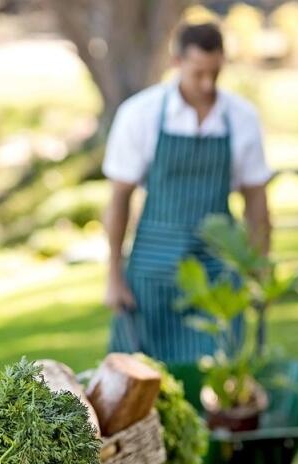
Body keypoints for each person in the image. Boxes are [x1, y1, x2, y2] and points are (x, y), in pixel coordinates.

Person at [103, 22, 272, 365]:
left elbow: (256, 200)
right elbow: (119, 198)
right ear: (176, 62)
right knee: (139, 382)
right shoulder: (140, 114)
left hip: (217, 273)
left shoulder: (241, 118)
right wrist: (113, 275)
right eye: (199, 74)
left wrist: (258, 266)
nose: (208, 84)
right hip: (151, 273)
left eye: (216, 73)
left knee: (222, 377)